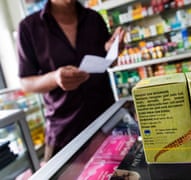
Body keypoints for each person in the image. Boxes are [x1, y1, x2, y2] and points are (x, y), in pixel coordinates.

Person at [16, 0, 125, 161]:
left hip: (106, 120)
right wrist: (54, 78)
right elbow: (26, 82)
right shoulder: (29, 27)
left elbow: (107, 62)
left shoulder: (94, 19)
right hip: (64, 129)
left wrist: (114, 51)